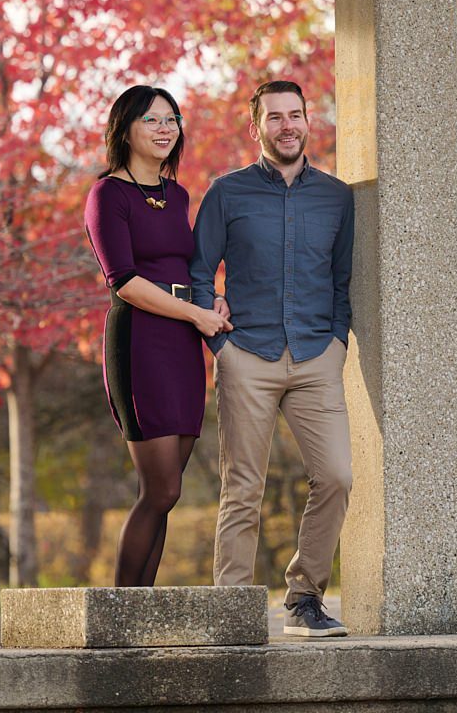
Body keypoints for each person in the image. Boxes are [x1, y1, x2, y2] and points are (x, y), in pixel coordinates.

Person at [190, 79, 354, 637]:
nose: (287, 126)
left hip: (316, 355)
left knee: (335, 476)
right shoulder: (226, 193)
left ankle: (304, 599)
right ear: (255, 126)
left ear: (309, 121)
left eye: (296, 115)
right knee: (243, 488)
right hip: (248, 355)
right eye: (275, 117)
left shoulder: (337, 197)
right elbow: (197, 272)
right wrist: (221, 345)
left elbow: (341, 280)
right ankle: (232, 611)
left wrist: (337, 341)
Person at [84, 85, 233, 587]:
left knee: (171, 491)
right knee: (159, 488)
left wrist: (209, 300)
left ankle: (141, 609)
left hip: (183, 343)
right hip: (140, 339)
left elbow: (187, 266)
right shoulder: (107, 195)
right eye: (151, 120)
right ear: (124, 128)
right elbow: (123, 282)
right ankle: (120, 610)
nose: (165, 128)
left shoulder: (178, 195)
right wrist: (194, 314)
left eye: (171, 119)